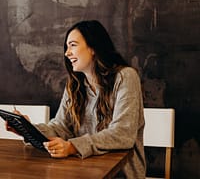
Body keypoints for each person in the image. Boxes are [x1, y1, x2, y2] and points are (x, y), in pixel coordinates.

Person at [7, 20, 146, 179]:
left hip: (120, 174)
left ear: (93, 47)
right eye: (66, 47)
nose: (67, 53)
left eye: (72, 45)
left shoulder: (125, 77)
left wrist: (73, 147)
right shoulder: (74, 85)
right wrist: (28, 129)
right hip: (83, 171)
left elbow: (122, 134)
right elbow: (61, 127)